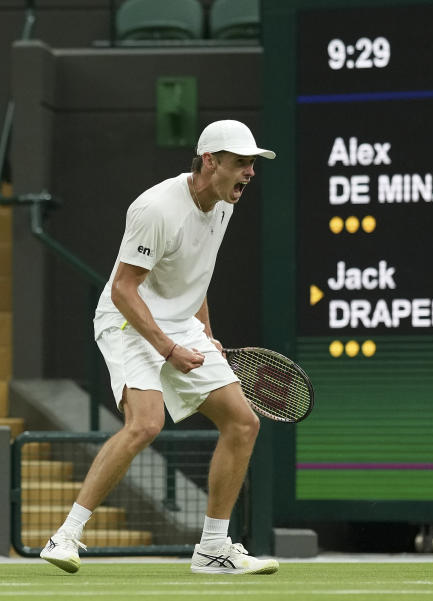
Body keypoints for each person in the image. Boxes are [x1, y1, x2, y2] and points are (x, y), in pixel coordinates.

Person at [40, 120, 279, 575]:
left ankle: (213, 549)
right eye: (241, 163)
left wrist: (204, 331)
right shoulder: (156, 208)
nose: (249, 173)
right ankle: (65, 536)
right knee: (145, 424)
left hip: (180, 323)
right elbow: (123, 290)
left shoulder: (225, 205)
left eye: (252, 164)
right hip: (128, 320)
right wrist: (169, 349)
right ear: (210, 161)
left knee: (243, 423)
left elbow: (195, 273)